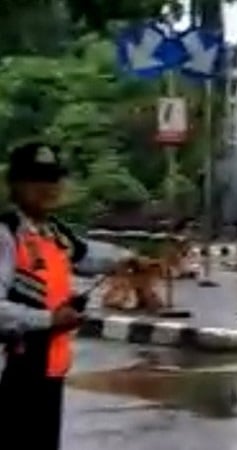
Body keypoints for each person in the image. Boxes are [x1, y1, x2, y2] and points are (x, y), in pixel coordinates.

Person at [0, 141, 140, 450]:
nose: (48, 187)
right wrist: (49, 318)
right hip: (19, 369)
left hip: (52, 369)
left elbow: (87, 256)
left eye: (53, 179)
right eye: (36, 179)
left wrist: (128, 258)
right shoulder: (7, 234)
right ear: (16, 185)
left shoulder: (53, 231)